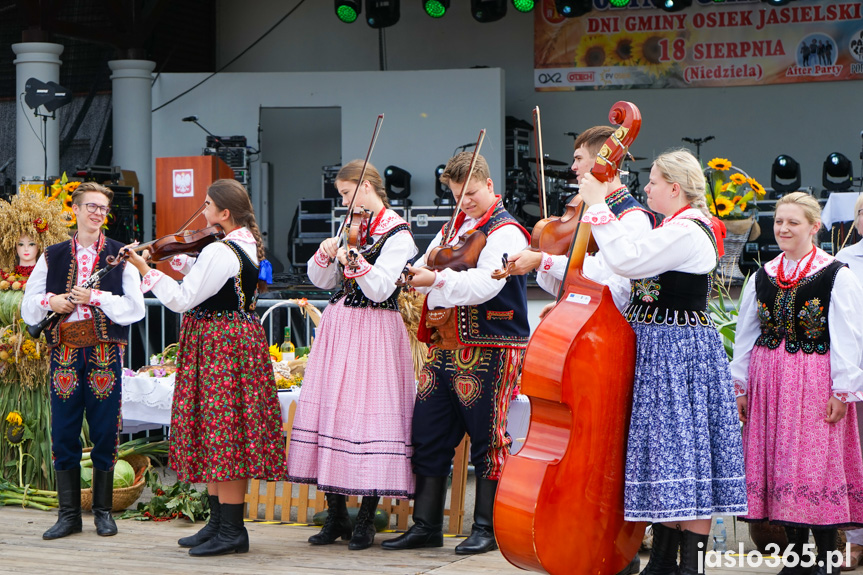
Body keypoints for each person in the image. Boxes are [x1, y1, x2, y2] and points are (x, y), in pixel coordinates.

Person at [578, 149, 748, 575]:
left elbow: (627, 259)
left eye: (652, 181)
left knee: (683, 454)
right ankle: (666, 560)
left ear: (674, 187)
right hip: (661, 348)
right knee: (667, 454)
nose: (646, 188)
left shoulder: (688, 230)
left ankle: (688, 565)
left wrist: (599, 205)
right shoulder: (673, 226)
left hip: (678, 352)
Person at [124, 179, 286, 557]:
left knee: (224, 435)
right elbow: (206, 276)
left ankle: (232, 530)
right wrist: (175, 257)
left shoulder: (223, 250)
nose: (204, 211)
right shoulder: (235, 244)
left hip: (220, 346)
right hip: (226, 343)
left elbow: (183, 299)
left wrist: (146, 270)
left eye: (208, 205)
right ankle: (218, 524)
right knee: (218, 434)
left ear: (224, 213)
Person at [381, 151, 530, 555]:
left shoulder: (507, 231)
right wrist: (413, 273)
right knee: (428, 434)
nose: (464, 202)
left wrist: (437, 278)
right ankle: (426, 524)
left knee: (488, 438)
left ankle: (487, 527)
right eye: (457, 195)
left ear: (489, 186)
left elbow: (487, 284)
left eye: (471, 193)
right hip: (445, 347)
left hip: (492, 345)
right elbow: (426, 264)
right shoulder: (452, 229)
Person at [286, 161, 417, 551]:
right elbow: (321, 280)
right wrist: (328, 253)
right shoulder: (350, 228)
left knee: (371, 419)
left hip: (376, 329)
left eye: (346, 193)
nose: (342, 201)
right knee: (334, 412)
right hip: (340, 325)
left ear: (366, 187)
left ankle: (365, 519)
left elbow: (380, 289)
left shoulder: (399, 234)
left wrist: (354, 259)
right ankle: (338, 514)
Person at [732, 192, 863, 575]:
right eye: (779, 222)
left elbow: (847, 337)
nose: (784, 228)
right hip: (770, 379)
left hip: (814, 378)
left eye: (793, 222)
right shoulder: (764, 275)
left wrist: (843, 390)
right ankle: (797, 556)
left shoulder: (835, 273)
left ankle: (823, 557)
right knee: (780, 464)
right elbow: (746, 335)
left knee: (813, 463)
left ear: (814, 226)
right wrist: (741, 385)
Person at [21, 182, 146, 540]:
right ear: (74, 210)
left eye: (103, 209)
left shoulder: (121, 255)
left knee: (106, 431)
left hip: (104, 351)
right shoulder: (53, 254)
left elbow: (134, 310)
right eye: (90, 206)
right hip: (65, 351)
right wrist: (53, 303)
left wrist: (97, 296)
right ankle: (68, 515)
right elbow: (29, 304)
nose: (97, 213)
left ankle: (103, 512)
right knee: (63, 432)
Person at [504, 126, 654, 312]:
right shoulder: (585, 207)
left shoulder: (632, 217)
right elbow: (558, 285)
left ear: (601, 161)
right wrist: (545, 256)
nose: (573, 167)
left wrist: (544, 260)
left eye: (579, 158)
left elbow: (603, 273)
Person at [836, 193, 863, 571]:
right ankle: (856, 540)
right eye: (861, 211)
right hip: (857, 366)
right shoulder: (844, 262)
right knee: (857, 454)